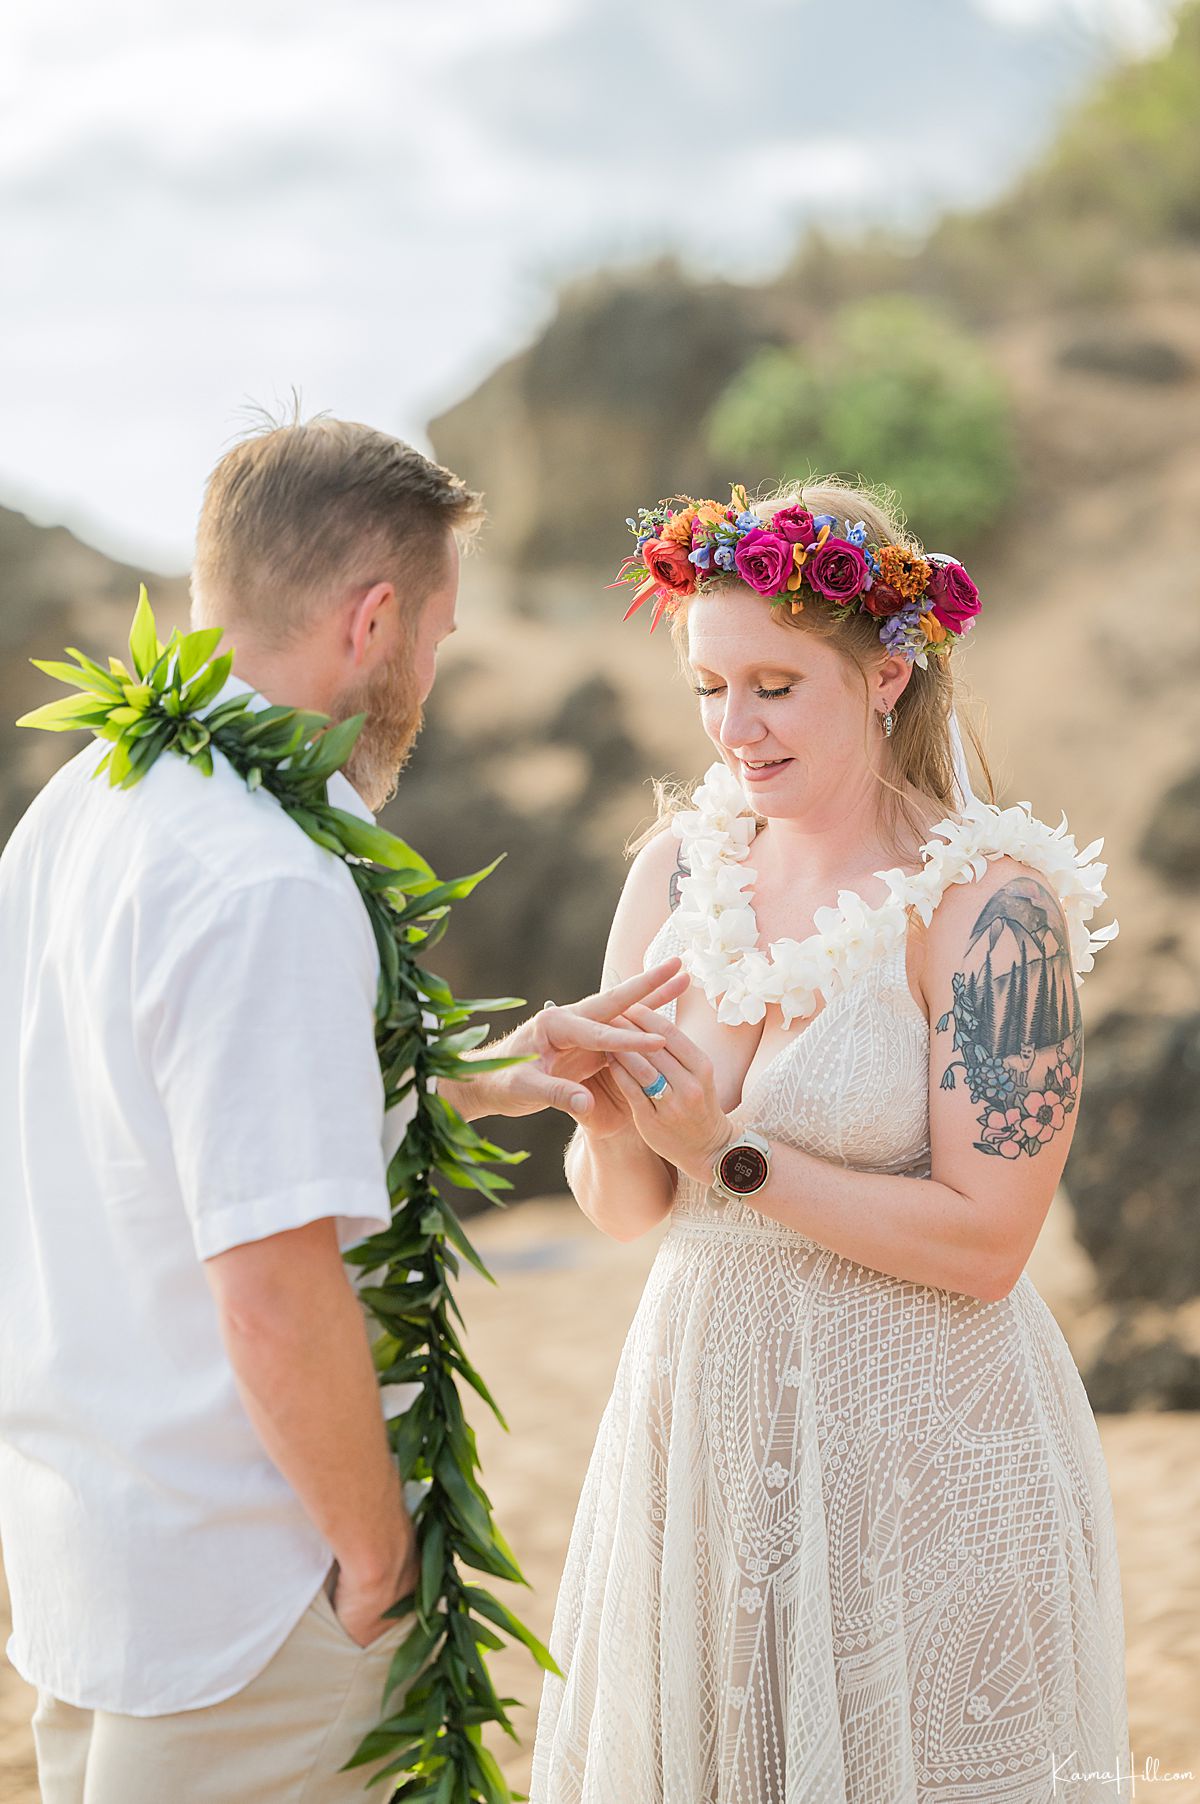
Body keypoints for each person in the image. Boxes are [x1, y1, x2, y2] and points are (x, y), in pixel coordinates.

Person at [0, 416, 685, 1804]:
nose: (432, 671)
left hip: (91, 1571)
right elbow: (268, 1280)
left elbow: (147, 1114)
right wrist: (376, 1564)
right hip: (254, 1599)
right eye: (435, 631)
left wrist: (482, 1070)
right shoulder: (268, 883)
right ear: (372, 622)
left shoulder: (81, 807)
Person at [530, 478, 1129, 1802]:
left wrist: (730, 1152)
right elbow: (630, 1210)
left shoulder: (993, 913)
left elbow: (988, 1242)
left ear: (886, 673)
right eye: (707, 686)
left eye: (774, 686)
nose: (732, 729)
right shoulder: (672, 876)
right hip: (705, 1419)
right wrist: (601, 1115)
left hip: (924, 1441)